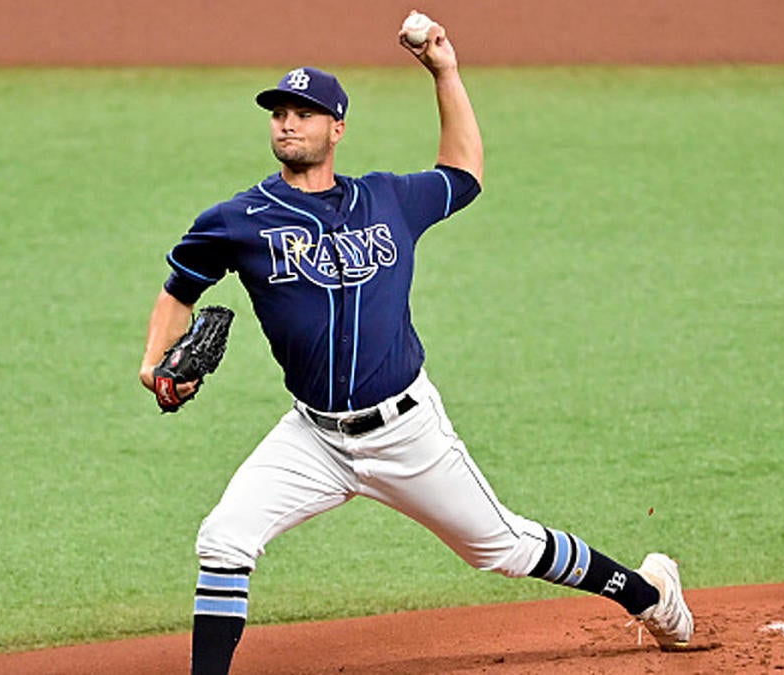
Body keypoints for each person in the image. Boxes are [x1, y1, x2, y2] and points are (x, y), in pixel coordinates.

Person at [139, 15, 693, 675]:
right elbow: (180, 290)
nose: (288, 123)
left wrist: (444, 71)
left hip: (406, 431)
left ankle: (651, 596)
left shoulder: (388, 199)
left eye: (304, 113)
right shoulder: (237, 219)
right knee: (224, 536)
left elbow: (463, 173)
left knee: (504, 547)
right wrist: (153, 364)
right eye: (280, 113)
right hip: (312, 437)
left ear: (336, 129)